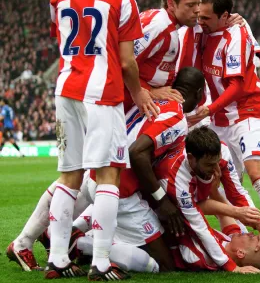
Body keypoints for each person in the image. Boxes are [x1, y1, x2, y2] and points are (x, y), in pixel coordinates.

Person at [7, 67, 204, 273]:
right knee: (165, 265)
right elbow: (137, 153)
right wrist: (161, 200)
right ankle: (84, 245)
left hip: (96, 160)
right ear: (200, 93)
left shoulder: (146, 101)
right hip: (119, 186)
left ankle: (40, 240)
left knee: (68, 180)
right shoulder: (175, 116)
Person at [45, 0, 158, 280]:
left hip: (66, 89)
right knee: (109, 175)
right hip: (102, 93)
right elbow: (125, 61)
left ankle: (57, 259)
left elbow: (62, 36)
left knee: (69, 174)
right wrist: (137, 93)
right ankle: (102, 262)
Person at [178, 0, 260, 266]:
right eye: (199, 15)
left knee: (257, 174)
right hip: (216, 116)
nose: (200, 21)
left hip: (246, 110)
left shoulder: (237, 32)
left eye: (206, 17)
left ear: (225, 15)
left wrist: (208, 108)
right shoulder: (198, 31)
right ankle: (239, 234)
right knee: (224, 179)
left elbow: (238, 84)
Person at [153, 127, 260, 273]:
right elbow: (199, 222)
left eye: (253, 238)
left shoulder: (200, 255)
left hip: (174, 218)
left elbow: (234, 195)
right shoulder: (177, 180)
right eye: (210, 164)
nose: (217, 168)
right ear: (191, 158)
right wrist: (231, 267)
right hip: (150, 201)